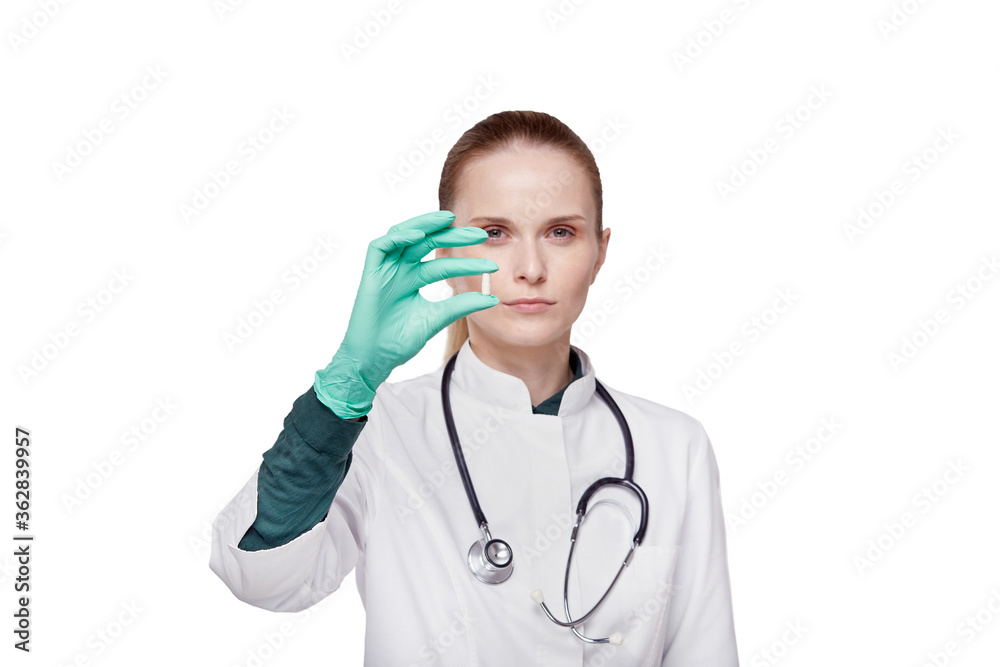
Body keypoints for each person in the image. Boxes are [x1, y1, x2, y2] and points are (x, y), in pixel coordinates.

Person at [209, 110, 740, 665]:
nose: (530, 268)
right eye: (493, 233)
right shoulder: (374, 430)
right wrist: (343, 389)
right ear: (444, 251)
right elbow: (261, 576)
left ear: (600, 252)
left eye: (561, 232)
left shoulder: (674, 447)